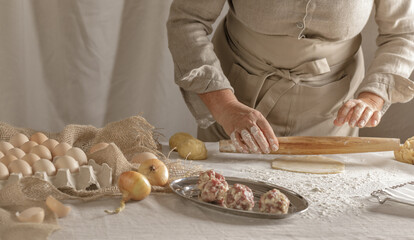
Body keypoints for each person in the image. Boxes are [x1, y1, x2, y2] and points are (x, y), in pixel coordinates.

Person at [166, 0, 414, 154]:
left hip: (332, 110)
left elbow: (403, 33)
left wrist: (373, 97)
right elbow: (188, 20)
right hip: (236, 97)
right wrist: (224, 105)